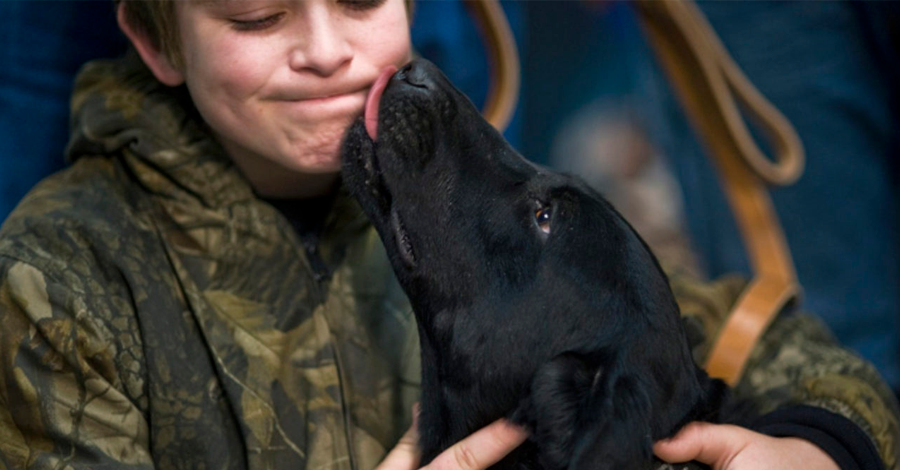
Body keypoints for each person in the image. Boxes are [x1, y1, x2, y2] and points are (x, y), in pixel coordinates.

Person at [0, 1, 896, 470]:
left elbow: (777, 344)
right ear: (158, 43)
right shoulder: (59, 291)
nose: (327, 52)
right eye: (256, 17)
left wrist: (822, 445)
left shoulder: (447, 204)